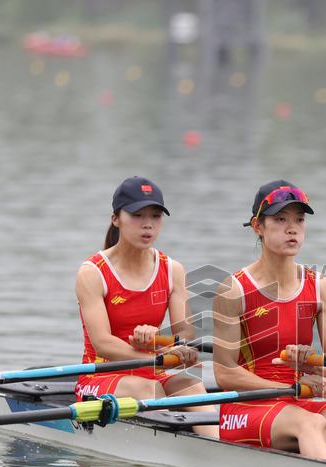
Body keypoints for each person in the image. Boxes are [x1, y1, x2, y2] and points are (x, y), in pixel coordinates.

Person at [211, 180, 326, 467]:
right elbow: (225, 374)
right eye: (281, 220)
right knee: (311, 422)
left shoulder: (321, 287)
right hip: (245, 407)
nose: (292, 229)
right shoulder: (234, 290)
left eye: (299, 220)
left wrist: (310, 365)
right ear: (258, 226)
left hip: (296, 400)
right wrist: (290, 388)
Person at [75, 176, 218, 438]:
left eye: (155, 216)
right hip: (100, 376)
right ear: (116, 219)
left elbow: (185, 334)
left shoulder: (172, 270)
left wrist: (165, 343)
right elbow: (102, 343)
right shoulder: (92, 273)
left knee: (193, 386)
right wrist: (157, 354)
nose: (148, 224)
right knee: (150, 390)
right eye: (137, 215)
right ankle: (167, 451)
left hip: (153, 370)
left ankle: (219, 451)